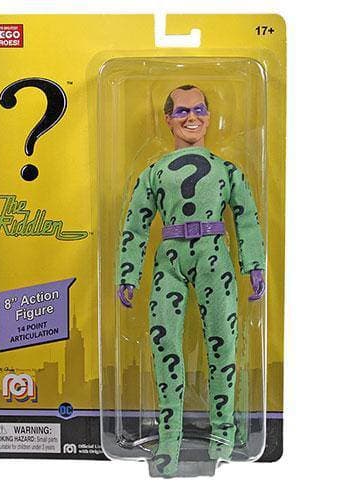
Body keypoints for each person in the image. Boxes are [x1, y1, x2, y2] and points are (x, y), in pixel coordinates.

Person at [117, 85, 265, 476]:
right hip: (169, 257)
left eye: (199, 109)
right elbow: (135, 224)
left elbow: (247, 218)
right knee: (164, 343)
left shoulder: (227, 170)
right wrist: (128, 272)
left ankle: (224, 433)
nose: (191, 117)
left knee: (223, 343)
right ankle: (168, 439)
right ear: (167, 119)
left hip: (215, 255)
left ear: (210, 115)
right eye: (182, 111)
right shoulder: (153, 172)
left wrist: (254, 264)